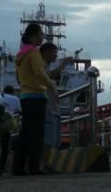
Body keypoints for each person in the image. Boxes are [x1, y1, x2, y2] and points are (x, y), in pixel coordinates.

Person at [12, 24, 55, 175]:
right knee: (37, 133)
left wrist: (25, 87)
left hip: (25, 96)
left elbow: (18, 76)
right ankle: (34, 167)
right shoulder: (34, 53)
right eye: (40, 34)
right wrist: (51, 85)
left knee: (25, 133)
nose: (42, 36)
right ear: (32, 36)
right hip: (37, 96)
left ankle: (18, 166)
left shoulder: (21, 54)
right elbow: (39, 72)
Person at [39, 43, 73, 173]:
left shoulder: (45, 65)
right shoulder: (41, 65)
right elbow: (50, 75)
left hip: (53, 107)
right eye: (53, 52)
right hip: (48, 108)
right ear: (46, 52)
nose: (55, 55)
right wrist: (63, 64)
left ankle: (46, 164)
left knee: (52, 139)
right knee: (47, 139)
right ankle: (43, 165)